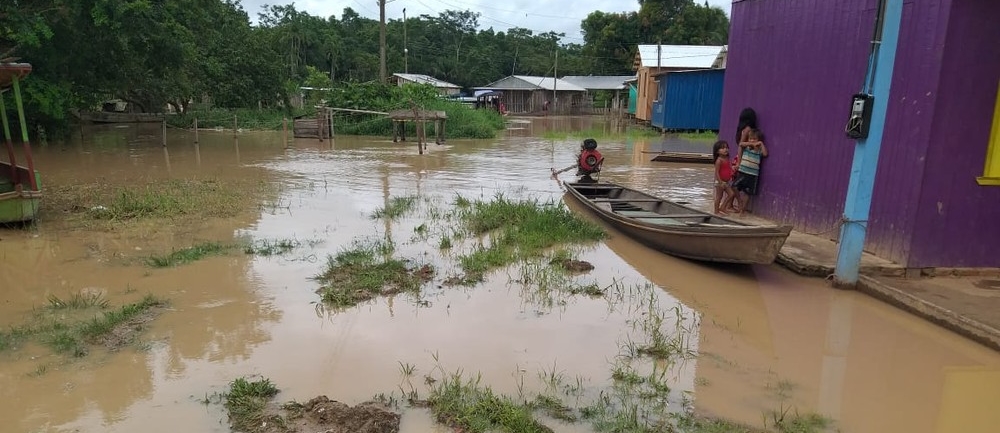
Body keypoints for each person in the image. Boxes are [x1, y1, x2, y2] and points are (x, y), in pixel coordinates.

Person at [726, 128, 767, 215]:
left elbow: (765, 154)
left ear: (759, 140)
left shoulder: (759, 149)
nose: (752, 140)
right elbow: (741, 144)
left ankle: (742, 211)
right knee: (734, 186)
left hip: (753, 174)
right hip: (743, 172)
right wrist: (751, 143)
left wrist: (761, 143)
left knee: (747, 193)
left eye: (754, 139)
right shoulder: (747, 147)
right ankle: (739, 202)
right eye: (750, 138)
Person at [712, 140, 735, 215]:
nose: (725, 149)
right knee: (719, 197)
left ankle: (723, 207)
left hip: (726, 182)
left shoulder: (727, 158)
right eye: (722, 148)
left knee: (731, 194)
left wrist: (732, 170)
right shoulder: (719, 161)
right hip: (720, 182)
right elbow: (717, 172)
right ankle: (716, 211)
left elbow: (727, 168)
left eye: (726, 147)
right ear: (717, 151)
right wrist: (720, 182)